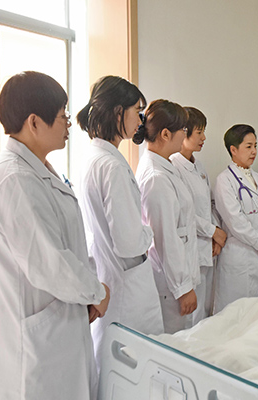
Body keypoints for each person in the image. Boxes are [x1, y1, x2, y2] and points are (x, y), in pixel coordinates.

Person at [0, 71, 109, 399]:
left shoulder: (37, 170)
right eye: (62, 115)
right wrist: (97, 292)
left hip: (58, 327)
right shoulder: (15, 180)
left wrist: (89, 291)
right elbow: (49, 264)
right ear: (34, 122)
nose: (69, 123)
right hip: (36, 343)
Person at [77, 76, 164, 362]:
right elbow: (129, 243)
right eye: (136, 111)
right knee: (132, 365)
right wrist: (148, 232)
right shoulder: (111, 166)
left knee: (114, 363)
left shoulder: (96, 157)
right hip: (127, 285)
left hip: (113, 275)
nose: (140, 120)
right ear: (118, 112)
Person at [134, 100, 200, 334]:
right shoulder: (156, 178)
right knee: (174, 340)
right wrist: (182, 288)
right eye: (183, 129)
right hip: (170, 285)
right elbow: (165, 239)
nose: (185, 134)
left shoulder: (166, 167)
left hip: (177, 275)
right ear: (165, 134)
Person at [170, 107, 227, 325]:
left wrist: (215, 234)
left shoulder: (199, 166)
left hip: (207, 248)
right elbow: (183, 213)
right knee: (190, 316)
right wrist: (213, 232)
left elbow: (209, 204)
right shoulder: (173, 166)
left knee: (204, 309)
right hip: (189, 250)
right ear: (183, 133)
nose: (204, 138)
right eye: (199, 132)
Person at [213, 124, 258, 313]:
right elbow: (235, 221)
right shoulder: (225, 180)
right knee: (236, 314)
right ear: (233, 150)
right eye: (248, 146)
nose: (254, 151)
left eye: (255, 146)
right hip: (240, 257)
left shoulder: (257, 177)